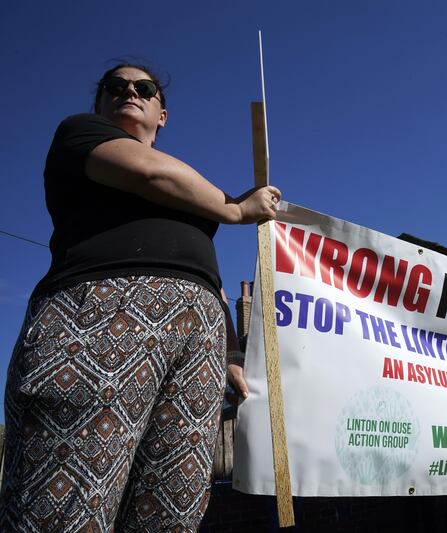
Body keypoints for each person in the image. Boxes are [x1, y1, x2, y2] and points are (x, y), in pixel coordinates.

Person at [0, 63, 281, 532]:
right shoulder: (80, 134)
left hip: (198, 342)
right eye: (116, 86)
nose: (129, 91)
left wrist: (230, 350)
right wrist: (236, 208)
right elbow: (150, 173)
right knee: (70, 501)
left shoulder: (193, 192)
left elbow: (205, 274)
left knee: (172, 508)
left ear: (162, 114)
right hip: (100, 317)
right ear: (100, 102)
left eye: (144, 88)